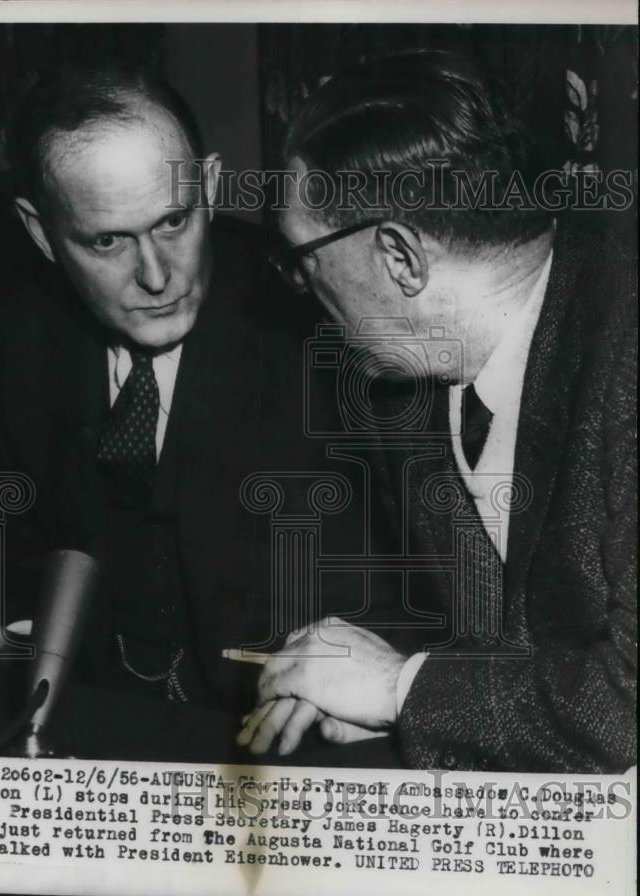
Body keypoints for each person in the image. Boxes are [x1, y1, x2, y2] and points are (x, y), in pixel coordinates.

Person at [238, 49, 637, 773]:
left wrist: (400, 689)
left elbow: (628, 698)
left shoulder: (626, 349)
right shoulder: (414, 385)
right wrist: (382, 692)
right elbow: (510, 649)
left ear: (400, 257)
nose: (305, 291)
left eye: (305, 260)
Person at [0, 64, 343, 724]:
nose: (156, 276)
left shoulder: (312, 313)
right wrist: (0, 616)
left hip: (275, 723)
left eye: (175, 221)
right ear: (41, 233)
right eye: (107, 240)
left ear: (208, 185)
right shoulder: (15, 325)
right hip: (94, 702)